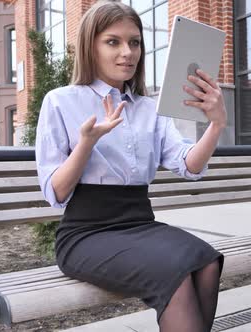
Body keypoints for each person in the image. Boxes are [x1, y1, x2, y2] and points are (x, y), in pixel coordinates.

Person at [35, 1, 225, 331]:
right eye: (113, 41)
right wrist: (86, 144)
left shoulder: (149, 109)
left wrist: (216, 125)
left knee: (207, 262)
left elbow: (187, 166)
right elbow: (56, 192)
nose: (128, 52)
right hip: (86, 233)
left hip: (140, 223)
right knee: (175, 274)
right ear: (90, 47)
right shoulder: (61, 101)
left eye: (134, 42)